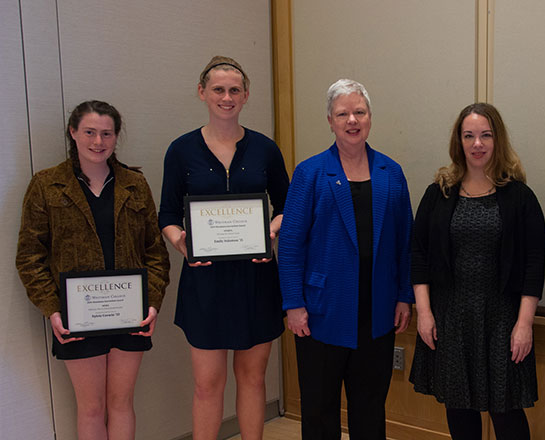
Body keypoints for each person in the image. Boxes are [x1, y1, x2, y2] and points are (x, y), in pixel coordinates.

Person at [16, 100, 170, 439]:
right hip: (76, 317)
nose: (98, 142)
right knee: (90, 407)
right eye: (89, 132)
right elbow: (30, 255)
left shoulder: (134, 184)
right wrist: (52, 310)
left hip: (130, 315)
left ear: (116, 137)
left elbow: (155, 253)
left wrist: (152, 302)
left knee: (121, 403)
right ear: (73, 133)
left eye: (106, 133)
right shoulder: (46, 185)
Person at [158, 56, 289, 440]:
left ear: (246, 95)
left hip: (256, 277)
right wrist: (182, 243)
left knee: (252, 379)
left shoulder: (265, 148)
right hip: (205, 282)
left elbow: (287, 206)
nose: (226, 97)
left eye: (234, 90)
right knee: (207, 384)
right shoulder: (181, 150)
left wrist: (269, 233)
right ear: (202, 93)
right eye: (218, 89)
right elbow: (167, 212)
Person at [278, 78, 413, 439]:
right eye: (343, 113)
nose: (352, 120)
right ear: (330, 120)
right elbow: (290, 243)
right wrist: (293, 304)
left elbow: (405, 243)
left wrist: (404, 296)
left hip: (377, 312)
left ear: (369, 117)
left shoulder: (392, 173)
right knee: (319, 410)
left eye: (359, 112)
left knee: (370, 408)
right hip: (321, 312)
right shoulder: (310, 173)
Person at [409, 102, 545, 440]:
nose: (477, 144)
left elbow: (533, 264)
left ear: (497, 140)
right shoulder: (438, 193)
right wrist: (424, 314)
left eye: (485, 135)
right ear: (459, 141)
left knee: (507, 413)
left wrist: (524, 324)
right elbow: (418, 255)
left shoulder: (519, 197)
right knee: (459, 410)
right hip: (450, 317)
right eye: (469, 136)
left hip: (503, 319)